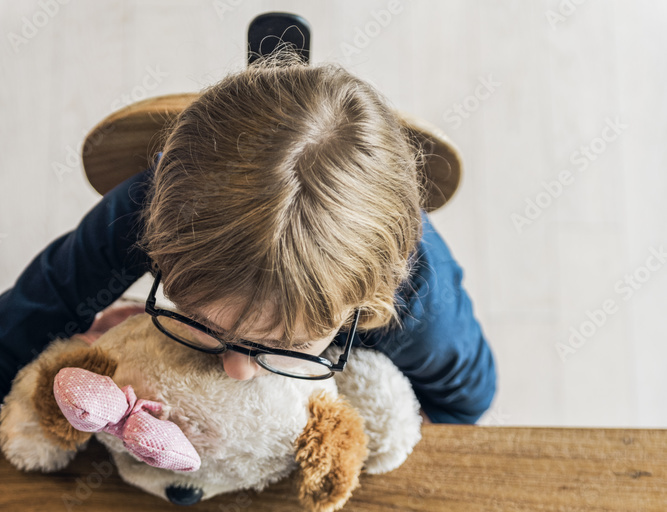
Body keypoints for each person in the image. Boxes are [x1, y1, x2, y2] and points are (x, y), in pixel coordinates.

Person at [0, 51, 496, 424]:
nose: (236, 370)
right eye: (197, 319)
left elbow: (463, 405)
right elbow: (21, 328)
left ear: (364, 307)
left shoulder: (418, 302)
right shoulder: (147, 208)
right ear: (156, 242)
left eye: (291, 344)